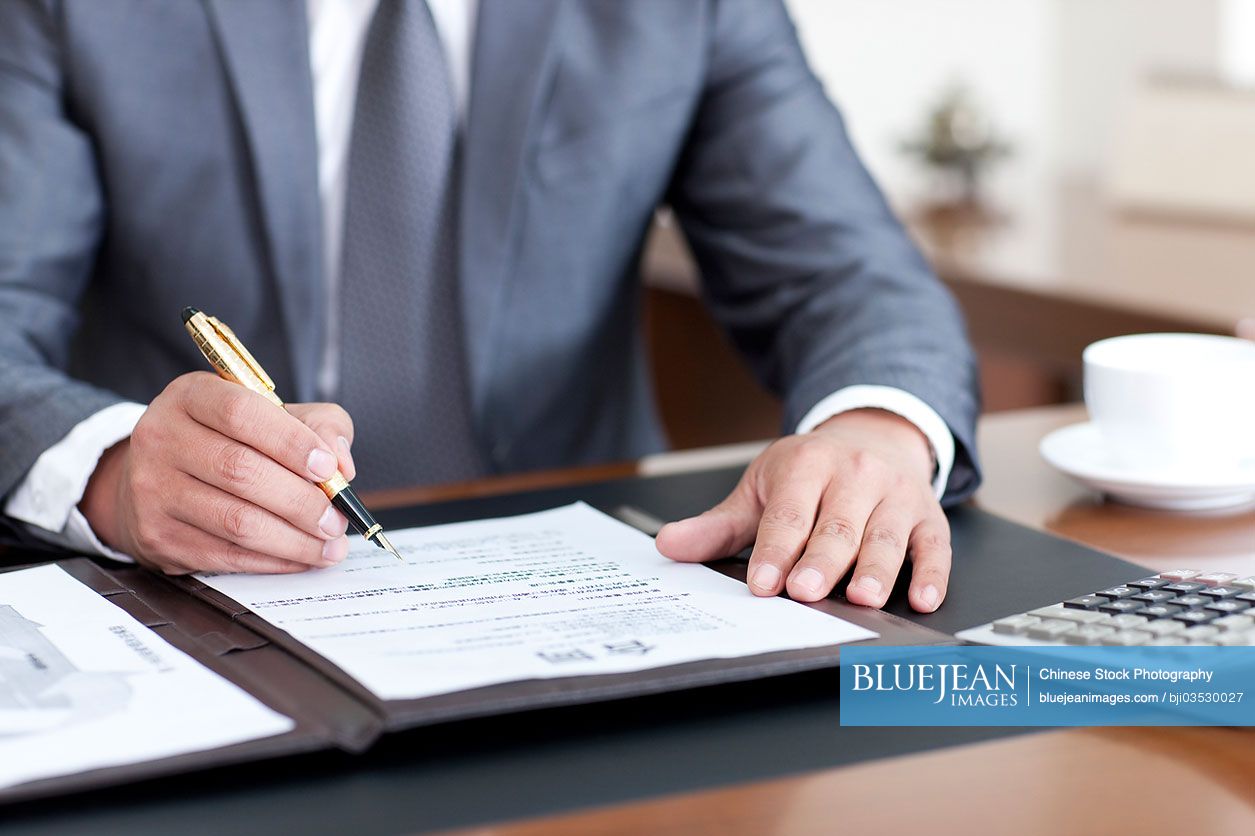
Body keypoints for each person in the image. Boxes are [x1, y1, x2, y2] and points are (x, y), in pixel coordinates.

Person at [0, 0, 979, 613]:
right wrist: (116, 472)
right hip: (186, 596)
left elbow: (847, 270)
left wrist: (874, 430)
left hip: (583, 589)